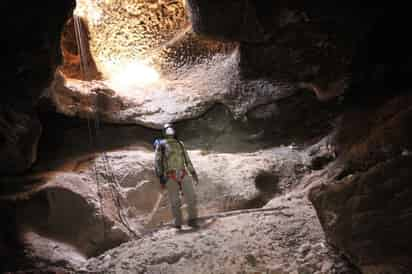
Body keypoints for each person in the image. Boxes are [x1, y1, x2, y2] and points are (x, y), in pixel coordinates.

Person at [154, 123, 199, 229]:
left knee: (191, 197)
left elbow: (187, 159)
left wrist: (193, 173)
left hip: (183, 173)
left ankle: (192, 219)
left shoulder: (180, 143)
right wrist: (160, 177)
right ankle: (178, 222)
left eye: (171, 128)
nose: (169, 130)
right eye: (167, 129)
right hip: (170, 175)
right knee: (174, 201)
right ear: (164, 132)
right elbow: (157, 161)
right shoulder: (161, 144)